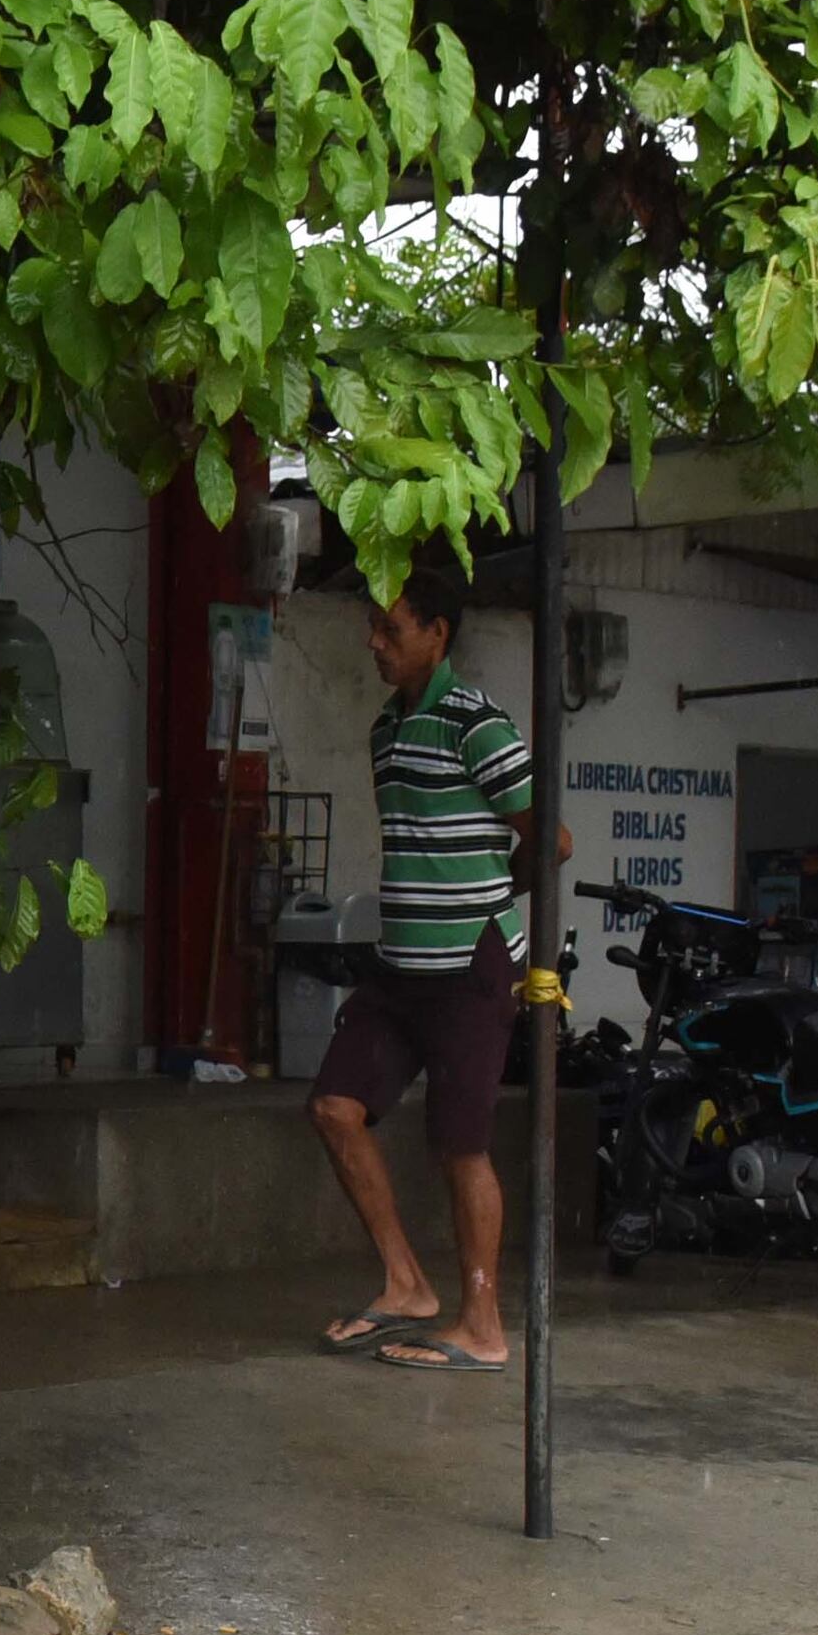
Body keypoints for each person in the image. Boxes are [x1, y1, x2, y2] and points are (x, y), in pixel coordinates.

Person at [310, 557, 558, 1371]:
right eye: (372, 628)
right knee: (335, 1108)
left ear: (437, 633)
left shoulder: (476, 724)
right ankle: (406, 1284)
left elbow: (548, 840)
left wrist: (489, 895)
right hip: (399, 967)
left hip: (472, 967)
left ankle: (482, 1326)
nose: (375, 643)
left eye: (391, 629)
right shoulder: (386, 728)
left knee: (461, 1144)